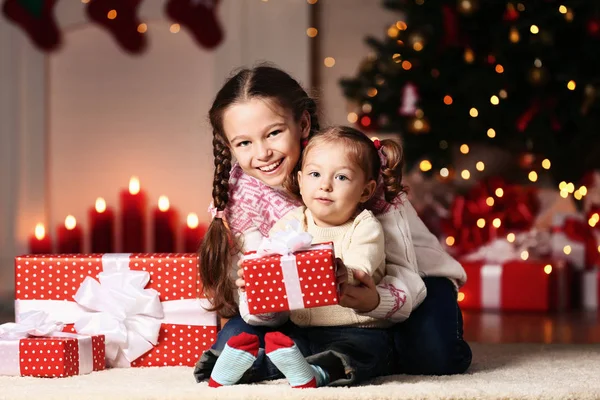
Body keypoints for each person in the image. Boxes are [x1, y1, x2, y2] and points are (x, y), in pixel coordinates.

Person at [193, 65, 471, 385]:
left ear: (303, 123)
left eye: (273, 133)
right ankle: (326, 356)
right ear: (229, 146)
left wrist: (374, 301)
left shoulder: (352, 164)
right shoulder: (245, 195)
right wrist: (259, 291)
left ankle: (376, 349)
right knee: (240, 334)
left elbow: (401, 266)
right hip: (315, 310)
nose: (262, 153)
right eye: (244, 143)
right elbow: (265, 301)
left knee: (433, 356)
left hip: (407, 282)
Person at [206, 126, 404, 388]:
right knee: (284, 346)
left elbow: (362, 263)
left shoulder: (365, 225)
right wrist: (257, 278)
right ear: (300, 181)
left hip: (356, 329)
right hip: (303, 328)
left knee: (366, 352)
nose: (325, 185)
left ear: (366, 191)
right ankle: (242, 368)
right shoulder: (292, 222)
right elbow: (270, 253)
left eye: (342, 178)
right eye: (315, 174)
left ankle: (317, 373)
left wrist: (347, 273)